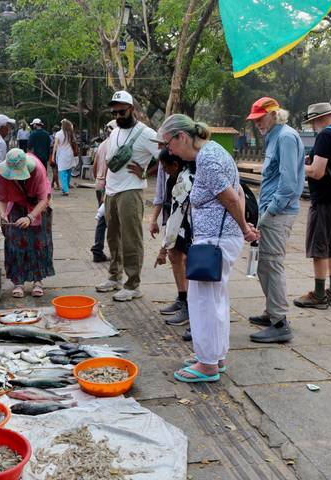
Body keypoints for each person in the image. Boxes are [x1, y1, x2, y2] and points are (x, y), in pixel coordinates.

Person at [155, 114, 259, 382]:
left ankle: (207, 364)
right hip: (220, 238)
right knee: (216, 299)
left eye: (168, 144)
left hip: (214, 240)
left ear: (182, 137)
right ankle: (215, 355)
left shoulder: (208, 158)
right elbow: (236, 192)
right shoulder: (213, 152)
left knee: (202, 302)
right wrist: (242, 227)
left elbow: (231, 197)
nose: (169, 152)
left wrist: (245, 227)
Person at [245, 97, 305, 343]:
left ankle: (280, 321)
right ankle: (272, 312)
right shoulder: (274, 137)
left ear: (273, 114)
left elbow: (289, 183)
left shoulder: (286, 137)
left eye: (260, 118)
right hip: (270, 209)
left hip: (278, 212)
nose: (257, 124)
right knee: (264, 264)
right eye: (255, 120)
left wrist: (270, 212)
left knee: (272, 263)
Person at [95, 90, 160, 302]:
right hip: (111, 192)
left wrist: (145, 172)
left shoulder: (146, 133)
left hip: (131, 191)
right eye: (114, 112)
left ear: (132, 109)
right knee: (112, 237)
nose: (117, 116)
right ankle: (114, 277)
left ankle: (133, 285)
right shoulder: (114, 131)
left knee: (131, 239)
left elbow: (166, 156)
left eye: (121, 112)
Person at [296, 102, 331, 309]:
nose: (312, 127)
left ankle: (319, 295)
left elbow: (317, 172)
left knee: (319, 247)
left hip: (326, 200)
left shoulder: (326, 136)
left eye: (312, 123)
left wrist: (300, 167)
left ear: (318, 119)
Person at [0, 148, 54, 298]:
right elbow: (1, 198)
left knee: (39, 243)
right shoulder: (3, 173)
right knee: (15, 241)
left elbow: (44, 199)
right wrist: (2, 215)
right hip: (16, 205)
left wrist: (30, 217)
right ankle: (18, 281)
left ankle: (38, 280)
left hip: (38, 206)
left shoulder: (38, 169)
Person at [153, 148, 195, 329]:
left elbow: (176, 217)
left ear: (176, 164)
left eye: (165, 167)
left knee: (192, 266)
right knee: (175, 256)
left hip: (190, 227)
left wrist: (162, 248)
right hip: (180, 225)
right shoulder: (174, 179)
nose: (163, 170)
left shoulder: (185, 180)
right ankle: (182, 297)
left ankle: (190, 307)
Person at [90, 120, 116, 263]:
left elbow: (95, 166)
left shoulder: (102, 145)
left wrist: (97, 180)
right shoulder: (113, 145)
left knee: (103, 219)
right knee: (107, 220)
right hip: (108, 186)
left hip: (99, 184)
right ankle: (99, 249)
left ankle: (98, 249)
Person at [51, 119, 78, 196]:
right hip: (70, 154)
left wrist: (53, 155)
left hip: (62, 155)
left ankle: (65, 190)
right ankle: (66, 187)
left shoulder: (58, 134)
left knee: (62, 172)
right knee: (68, 171)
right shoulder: (70, 133)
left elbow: (55, 146)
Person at [50, 125, 61, 190]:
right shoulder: (60, 136)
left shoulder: (50, 137)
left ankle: (56, 184)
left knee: (54, 170)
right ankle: (56, 184)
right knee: (56, 170)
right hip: (59, 154)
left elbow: (50, 145)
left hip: (52, 154)